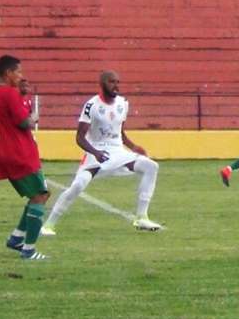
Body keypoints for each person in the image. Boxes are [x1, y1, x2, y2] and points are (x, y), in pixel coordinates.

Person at [42, 70, 162, 235]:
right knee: (78, 185)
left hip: (118, 152)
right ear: (102, 84)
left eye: (117, 82)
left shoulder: (123, 103)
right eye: (111, 82)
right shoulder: (91, 106)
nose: (116, 86)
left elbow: (119, 132)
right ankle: (49, 225)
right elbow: (79, 138)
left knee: (151, 166)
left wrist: (133, 147)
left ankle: (142, 217)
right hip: (97, 153)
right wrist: (96, 152)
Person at [0, 55, 50, 260]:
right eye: (18, 71)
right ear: (8, 73)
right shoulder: (10, 93)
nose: (21, 75)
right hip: (20, 153)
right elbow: (24, 122)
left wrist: (3, 139)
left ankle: (17, 238)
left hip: (4, 154)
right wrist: (33, 116)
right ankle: (29, 250)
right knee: (40, 196)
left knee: (39, 194)